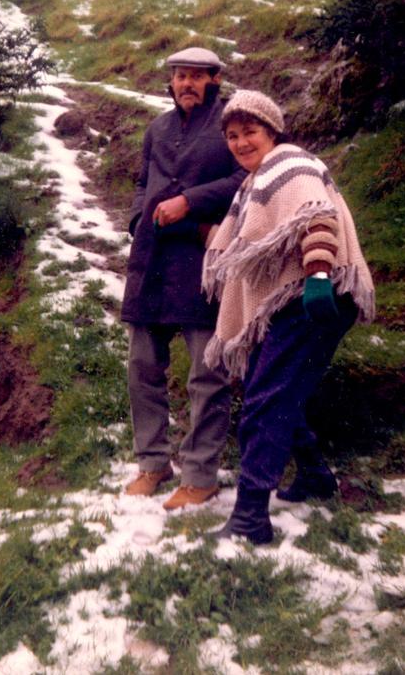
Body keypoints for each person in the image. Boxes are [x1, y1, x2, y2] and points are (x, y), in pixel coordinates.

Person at [202, 89, 375, 544]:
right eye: (233, 135)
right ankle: (316, 476)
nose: (240, 143)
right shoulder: (254, 182)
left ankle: (250, 516)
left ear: (272, 131)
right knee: (274, 388)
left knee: (266, 399)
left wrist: (317, 275)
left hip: (314, 296)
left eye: (250, 132)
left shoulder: (288, 164)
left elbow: (318, 219)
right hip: (294, 300)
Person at [121, 47, 246, 510]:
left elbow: (244, 177)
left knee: (206, 373)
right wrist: (137, 219)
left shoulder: (231, 126)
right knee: (142, 368)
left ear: (215, 80)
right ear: (170, 83)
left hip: (201, 260)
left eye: (197, 76)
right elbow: (141, 182)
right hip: (151, 261)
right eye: (180, 76)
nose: (187, 83)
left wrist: (190, 202)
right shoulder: (158, 129)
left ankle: (200, 476)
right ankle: (153, 463)